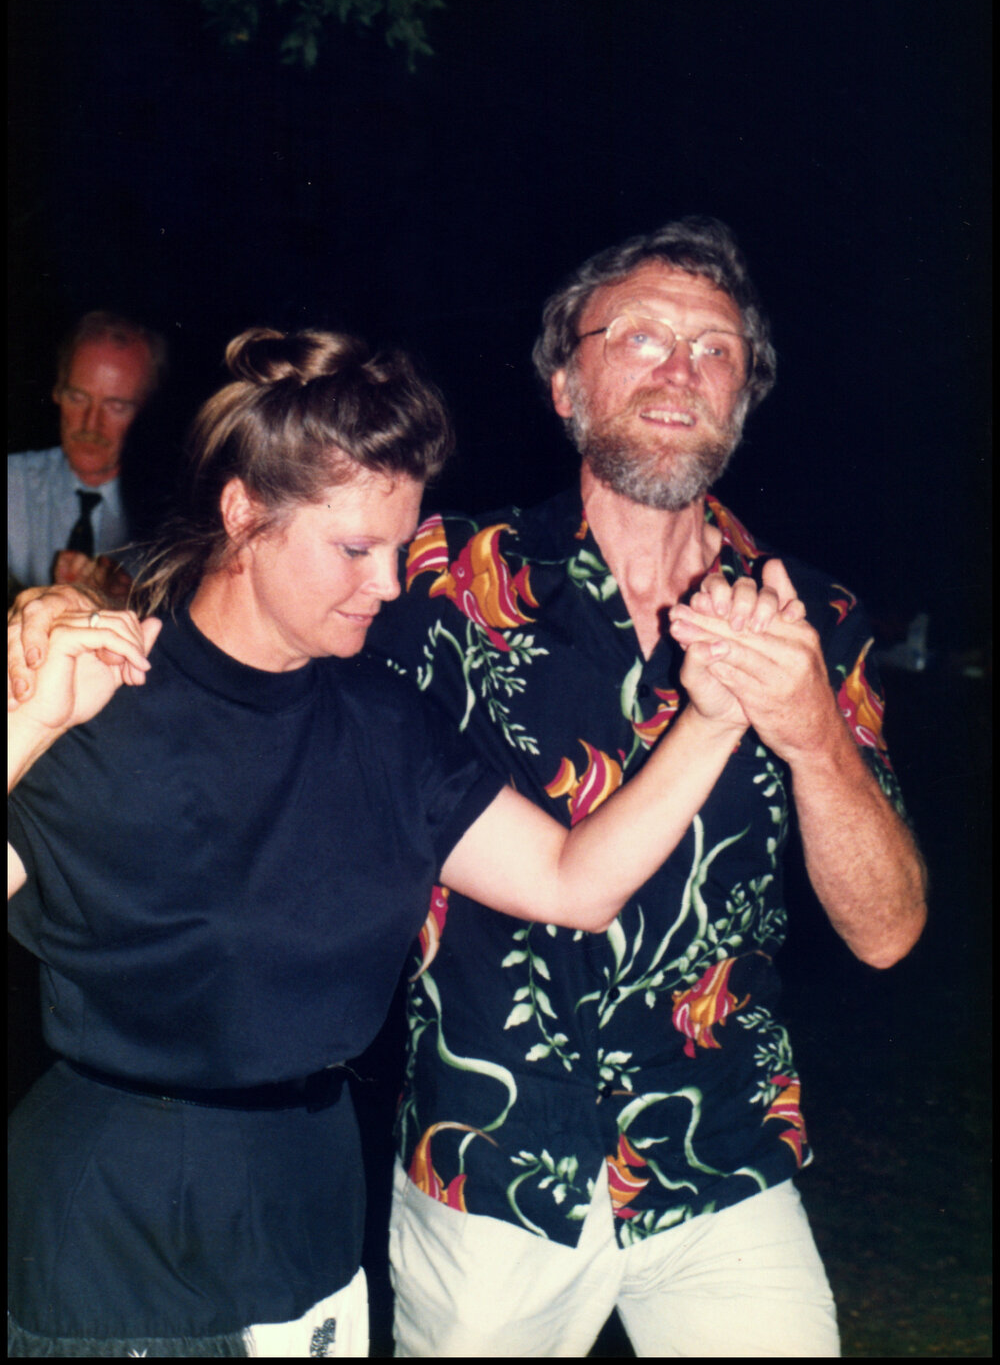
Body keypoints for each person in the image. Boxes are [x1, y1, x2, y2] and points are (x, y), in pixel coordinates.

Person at [6, 325, 780, 1358]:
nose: (386, 584)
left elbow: (571, 880)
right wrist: (28, 726)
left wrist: (715, 719)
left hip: (315, 1224)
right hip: (125, 1244)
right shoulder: (99, 697)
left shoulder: (383, 721)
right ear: (245, 514)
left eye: (397, 547)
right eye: (352, 549)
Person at [356, 217, 926, 1358]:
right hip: (489, 1166)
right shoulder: (437, 581)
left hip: (722, 1157)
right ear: (565, 382)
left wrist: (814, 735)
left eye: (715, 350)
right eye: (641, 337)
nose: (681, 370)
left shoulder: (815, 619)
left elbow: (887, 932)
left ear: (743, 402)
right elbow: (259, 629)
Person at [7, 310, 167, 606]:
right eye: (77, 398)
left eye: (116, 406)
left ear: (146, 410)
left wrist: (130, 601)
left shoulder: (172, 513)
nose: (90, 424)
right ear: (56, 391)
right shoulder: (12, 483)